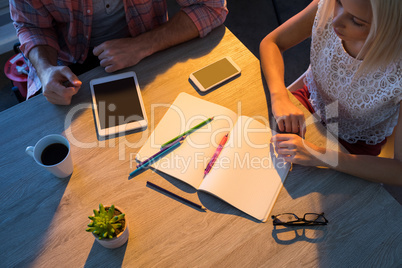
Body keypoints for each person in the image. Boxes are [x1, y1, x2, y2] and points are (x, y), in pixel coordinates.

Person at [260, 0, 402, 185]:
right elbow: (272, 42)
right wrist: (279, 97)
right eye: (340, 3)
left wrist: (320, 156)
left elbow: (398, 170)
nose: (335, 21)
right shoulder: (327, 5)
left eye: (357, 21)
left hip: (352, 148)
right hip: (307, 103)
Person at [10, 0, 227, 105]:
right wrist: (45, 69)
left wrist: (142, 45)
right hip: (66, 64)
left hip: (148, 48)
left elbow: (211, 7)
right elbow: (32, 26)